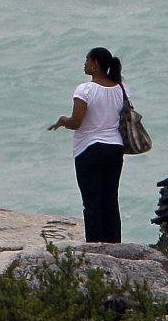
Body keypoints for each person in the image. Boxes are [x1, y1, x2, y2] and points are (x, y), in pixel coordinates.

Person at [48, 46, 129, 242]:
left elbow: (76, 122)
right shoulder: (121, 88)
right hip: (115, 148)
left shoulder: (85, 90)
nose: (84, 64)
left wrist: (63, 120)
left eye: (87, 60)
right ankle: (115, 244)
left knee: (92, 201)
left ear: (95, 64)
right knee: (110, 200)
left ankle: (95, 245)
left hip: (89, 149)